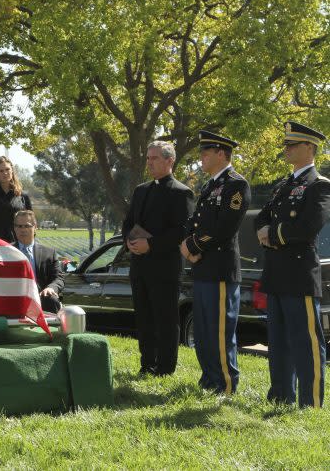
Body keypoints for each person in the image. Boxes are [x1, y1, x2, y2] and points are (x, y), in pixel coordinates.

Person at [255, 121, 330, 408]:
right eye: (286, 144)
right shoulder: (283, 185)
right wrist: (264, 231)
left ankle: (310, 403)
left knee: (306, 342)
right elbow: (261, 217)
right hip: (275, 272)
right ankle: (281, 397)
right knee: (279, 341)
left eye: (292, 144)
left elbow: (308, 226)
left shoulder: (319, 186)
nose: (286, 149)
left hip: (299, 273)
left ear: (309, 148)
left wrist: (272, 235)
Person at [181, 131, 250, 394]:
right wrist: (185, 243)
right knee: (204, 329)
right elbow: (195, 221)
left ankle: (225, 383)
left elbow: (224, 227)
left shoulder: (236, 184)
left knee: (220, 330)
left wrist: (193, 246)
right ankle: (209, 378)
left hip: (221, 268)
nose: (201, 158)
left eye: (205, 153)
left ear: (221, 153)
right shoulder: (211, 185)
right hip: (203, 267)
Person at [122, 141, 194, 376]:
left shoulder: (181, 192)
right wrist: (129, 242)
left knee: (164, 318)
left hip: (164, 267)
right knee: (143, 317)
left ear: (169, 161)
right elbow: (129, 222)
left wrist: (150, 245)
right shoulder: (141, 190)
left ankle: (165, 367)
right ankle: (147, 363)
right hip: (139, 265)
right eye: (148, 158)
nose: (149, 162)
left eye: (154, 158)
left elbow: (181, 231)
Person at [12, 210, 65, 313]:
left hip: (41, 297)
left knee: (52, 300)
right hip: (14, 298)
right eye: (19, 226)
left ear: (35, 227)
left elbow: (58, 278)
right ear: (14, 228)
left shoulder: (49, 253)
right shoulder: (6, 251)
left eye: (27, 226)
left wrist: (51, 288)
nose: (23, 230)